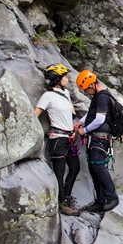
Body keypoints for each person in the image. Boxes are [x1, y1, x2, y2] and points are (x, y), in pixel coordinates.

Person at [35, 64, 81, 215]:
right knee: (59, 172)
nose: (67, 79)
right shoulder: (47, 96)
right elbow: (35, 114)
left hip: (69, 138)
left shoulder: (66, 93)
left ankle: (66, 197)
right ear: (57, 79)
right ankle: (63, 203)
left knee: (75, 168)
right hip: (57, 139)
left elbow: (71, 113)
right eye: (65, 77)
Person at [73, 70, 120, 212]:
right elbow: (92, 113)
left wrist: (84, 131)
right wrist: (81, 122)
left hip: (99, 137)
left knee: (98, 167)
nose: (87, 92)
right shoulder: (99, 97)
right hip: (97, 137)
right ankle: (100, 201)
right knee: (94, 168)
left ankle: (112, 197)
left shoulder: (102, 97)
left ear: (92, 85)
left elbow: (100, 119)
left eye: (86, 89)